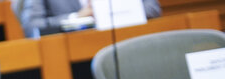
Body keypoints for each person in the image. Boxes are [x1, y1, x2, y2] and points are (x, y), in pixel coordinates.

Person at [18, 0, 161, 37]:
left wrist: (117, 10)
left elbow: (153, 8)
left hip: (127, 38)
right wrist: (76, 17)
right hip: (76, 62)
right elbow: (32, 26)